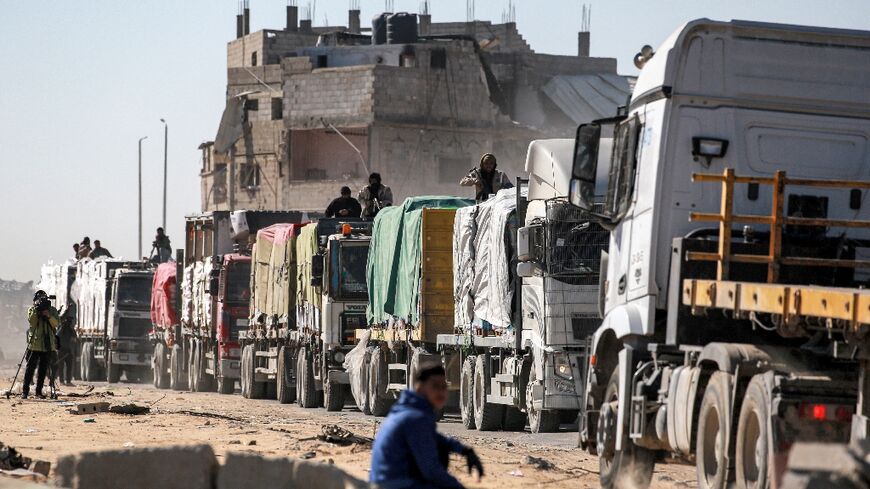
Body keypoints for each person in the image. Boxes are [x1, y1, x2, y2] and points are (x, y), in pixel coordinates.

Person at [369, 365, 484, 489]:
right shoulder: (415, 418)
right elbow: (432, 470)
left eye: (444, 387)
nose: (441, 392)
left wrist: (465, 450)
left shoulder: (406, 410)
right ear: (419, 388)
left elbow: (434, 438)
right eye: (435, 386)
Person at [22, 291, 59, 399]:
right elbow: (32, 321)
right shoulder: (32, 310)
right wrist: (37, 309)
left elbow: (56, 323)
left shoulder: (52, 311)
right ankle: (25, 391)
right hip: (34, 344)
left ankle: (38, 391)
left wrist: (48, 315)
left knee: (43, 369)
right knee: (30, 369)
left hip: (47, 344)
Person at [55, 304, 77, 386]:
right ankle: (61, 381)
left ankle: (68, 381)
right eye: (69, 321)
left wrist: (67, 309)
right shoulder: (61, 328)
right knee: (61, 366)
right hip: (61, 350)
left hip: (68, 350)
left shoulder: (71, 330)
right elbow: (57, 335)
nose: (70, 323)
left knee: (69, 366)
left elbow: (74, 339)